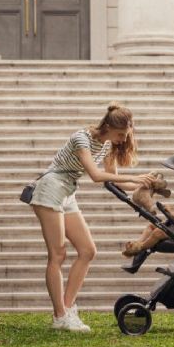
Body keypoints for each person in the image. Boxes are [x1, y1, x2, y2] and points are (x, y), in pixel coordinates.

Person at [29, 103, 156, 332]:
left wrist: (143, 183)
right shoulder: (82, 139)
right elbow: (97, 175)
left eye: (125, 136)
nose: (121, 140)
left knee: (88, 250)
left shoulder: (107, 145)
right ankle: (60, 315)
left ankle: (67, 310)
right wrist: (136, 177)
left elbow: (113, 181)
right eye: (119, 135)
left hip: (67, 192)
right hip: (50, 189)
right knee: (58, 254)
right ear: (107, 126)